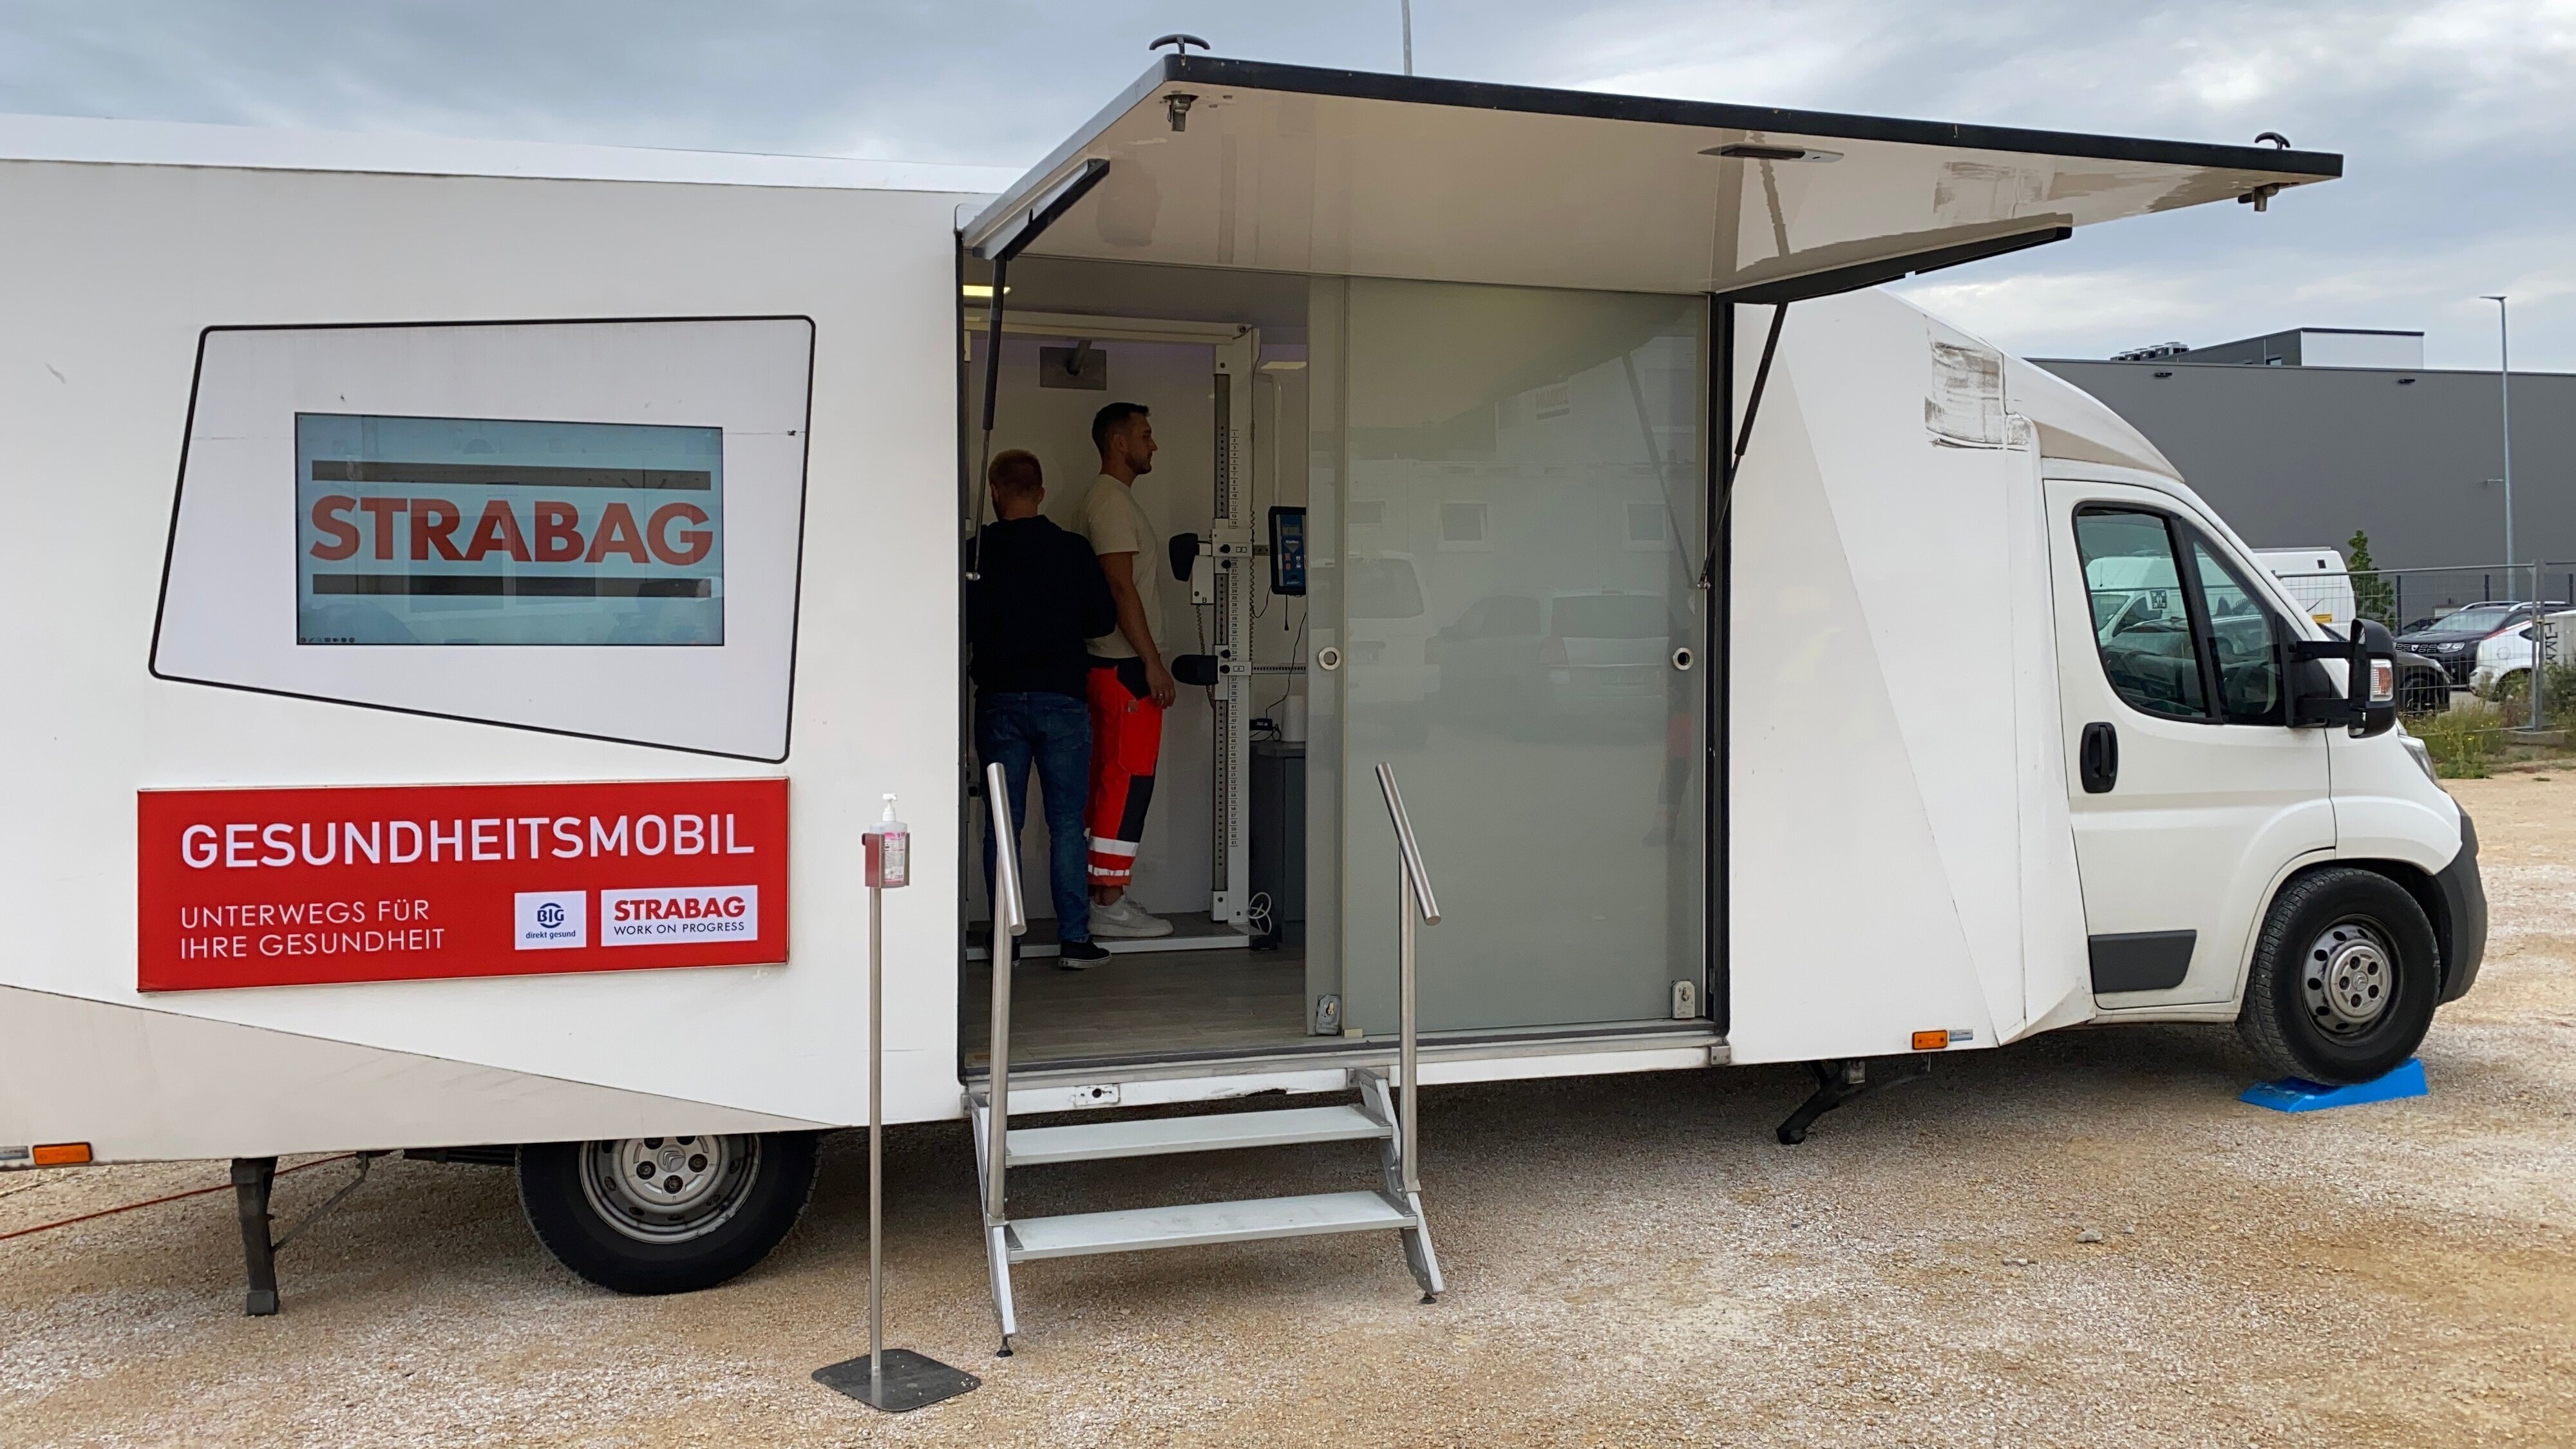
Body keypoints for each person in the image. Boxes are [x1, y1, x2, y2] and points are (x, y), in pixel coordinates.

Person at [969, 450, 1117, 967]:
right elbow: (1102, 621)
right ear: (1041, 492)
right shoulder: (1072, 550)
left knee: (1002, 825)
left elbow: (964, 625)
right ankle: (1074, 940)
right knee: (1066, 823)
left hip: (1000, 700)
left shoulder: (976, 552)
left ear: (995, 492)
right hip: (1063, 699)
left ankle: (1005, 941)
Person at [1075, 402, 1177, 938]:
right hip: (1124, 667)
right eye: (1145, 434)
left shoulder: (1110, 500)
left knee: (1112, 780)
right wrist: (1153, 663)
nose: (1153, 444)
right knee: (1126, 780)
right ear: (1118, 442)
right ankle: (1108, 901)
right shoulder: (1111, 502)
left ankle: (1103, 893)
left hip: (1113, 666)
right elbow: (1120, 586)